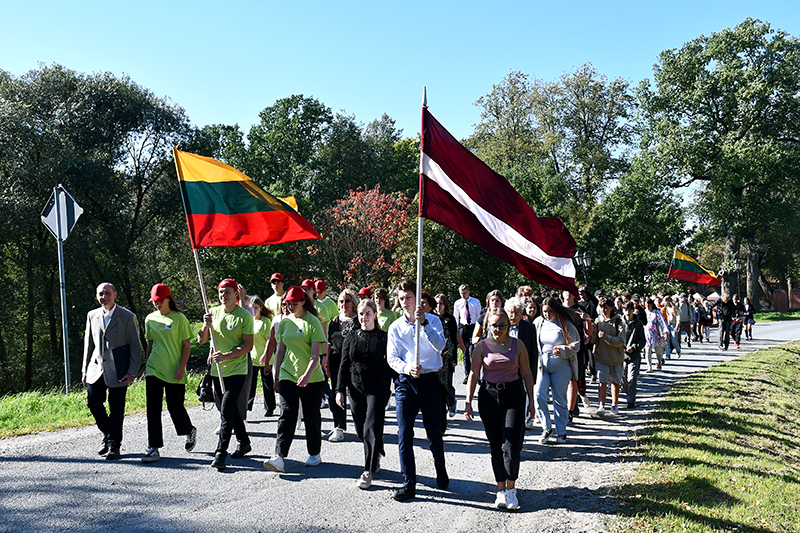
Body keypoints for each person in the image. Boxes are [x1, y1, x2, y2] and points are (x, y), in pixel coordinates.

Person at [464, 308, 534, 511]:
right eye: (494, 325)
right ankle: (501, 490)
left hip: (513, 396)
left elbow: (527, 374)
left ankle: (512, 490)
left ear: (509, 325)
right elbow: (473, 374)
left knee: (511, 444)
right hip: (489, 397)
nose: (498, 329)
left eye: (502, 325)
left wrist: (532, 401)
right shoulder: (481, 347)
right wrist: (468, 401)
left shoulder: (517, 345)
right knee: (495, 446)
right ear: (488, 326)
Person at [387, 279, 448, 502]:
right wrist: (406, 368)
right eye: (401, 298)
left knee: (434, 433)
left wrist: (424, 324)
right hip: (406, 383)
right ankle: (408, 483)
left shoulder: (433, 320)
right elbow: (392, 358)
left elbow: (441, 346)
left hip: (430, 381)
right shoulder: (395, 327)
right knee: (404, 434)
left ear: (417, 298)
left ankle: (440, 471)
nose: (405, 302)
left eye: (409, 297)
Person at [264, 286, 327, 473]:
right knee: (287, 413)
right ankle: (279, 457)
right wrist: (276, 377)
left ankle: (314, 453)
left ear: (303, 302)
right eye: (288, 303)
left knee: (311, 416)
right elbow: (280, 351)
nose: (290, 306)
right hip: (288, 375)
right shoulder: (284, 323)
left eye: (294, 303)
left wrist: (306, 375)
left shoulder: (313, 321)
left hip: (312, 377)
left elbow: (315, 354)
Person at [198, 278, 254, 470]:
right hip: (218, 370)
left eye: (227, 292)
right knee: (228, 408)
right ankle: (244, 441)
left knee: (226, 411)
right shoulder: (212, 312)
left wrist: (228, 355)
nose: (223, 296)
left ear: (235, 294)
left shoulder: (244, 316)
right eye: (221, 292)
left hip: (237, 369)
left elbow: (248, 345)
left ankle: (221, 453)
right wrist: (206, 326)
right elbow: (202, 340)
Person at [336, 298, 392, 490]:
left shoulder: (385, 337)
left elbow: (391, 364)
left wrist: (392, 384)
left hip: (377, 388)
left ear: (375, 314)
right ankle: (376, 450)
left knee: (372, 427)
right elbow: (344, 364)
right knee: (361, 430)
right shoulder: (351, 336)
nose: (364, 317)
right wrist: (339, 390)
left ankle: (367, 471)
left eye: (368, 313)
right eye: (361, 314)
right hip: (355, 387)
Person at [82, 282, 142, 460]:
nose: (104, 297)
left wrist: (132, 371)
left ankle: (114, 445)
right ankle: (108, 434)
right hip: (96, 369)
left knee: (116, 408)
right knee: (93, 403)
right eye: (101, 294)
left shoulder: (127, 317)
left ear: (115, 295)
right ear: (97, 296)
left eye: (107, 293)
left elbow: (135, 346)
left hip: (119, 370)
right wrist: (84, 371)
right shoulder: (92, 315)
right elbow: (88, 345)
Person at [142, 284, 196, 463]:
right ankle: (153, 447)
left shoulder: (179, 318)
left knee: (175, 407)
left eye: (159, 301)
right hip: (154, 369)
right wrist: (147, 363)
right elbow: (150, 343)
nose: (157, 304)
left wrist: (181, 368)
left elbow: (187, 345)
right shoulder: (150, 319)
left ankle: (189, 430)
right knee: (153, 409)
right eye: (154, 301)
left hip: (174, 370)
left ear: (168, 299)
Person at [533, 297, 580, 444]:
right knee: (539, 395)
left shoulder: (565, 324)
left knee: (559, 399)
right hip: (542, 365)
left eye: (550, 311)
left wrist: (563, 350)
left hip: (561, 366)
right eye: (544, 311)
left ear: (556, 310)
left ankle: (561, 431)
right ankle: (547, 428)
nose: (547, 314)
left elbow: (576, 343)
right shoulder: (538, 323)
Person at [326, 289, 359, 442]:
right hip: (335, 363)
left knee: (355, 396)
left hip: (353, 365)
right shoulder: (334, 321)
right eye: (341, 301)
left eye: (347, 301)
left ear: (353, 303)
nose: (344, 304)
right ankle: (339, 427)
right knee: (336, 395)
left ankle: (362, 425)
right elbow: (329, 342)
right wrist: (325, 361)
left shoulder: (359, 320)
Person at [592, 296, 626, 417]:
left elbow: (621, 341)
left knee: (615, 382)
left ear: (611, 308)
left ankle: (614, 405)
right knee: (602, 381)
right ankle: (601, 406)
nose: (603, 310)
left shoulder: (619, 321)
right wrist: (592, 331)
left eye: (605, 308)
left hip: (616, 358)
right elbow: (593, 339)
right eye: (601, 308)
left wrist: (606, 337)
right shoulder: (598, 321)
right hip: (601, 357)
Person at [435, 293, 465, 424]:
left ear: (445, 305)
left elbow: (453, 338)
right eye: (436, 303)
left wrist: (453, 358)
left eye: (441, 303)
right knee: (438, 385)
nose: (438, 306)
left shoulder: (450, 319)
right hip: (436, 357)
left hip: (448, 357)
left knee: (447, 383)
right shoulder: (431, 318)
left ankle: (451, 402)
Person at [249, 296, 275, 417]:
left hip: (265, 358)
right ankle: (247, 406)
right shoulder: (249, 320)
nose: (254, 310)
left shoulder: (266, 321)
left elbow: (269, 340)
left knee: (267, 384)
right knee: (250, 384)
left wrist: (265, 354)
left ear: (261, 308)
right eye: (252, 308)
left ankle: (270, 408)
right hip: (252, 358)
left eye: (256, 308)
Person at [620, 301, 646, 409]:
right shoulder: (619, 322)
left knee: (632, 379)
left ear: (632, 310)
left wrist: (634, 347)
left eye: (629, 310)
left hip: (634, 356)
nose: (627, 313)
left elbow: (642, 340)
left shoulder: (638, 323)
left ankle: (631, 401)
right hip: (621, 356)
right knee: (624, 381)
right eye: (625, 310)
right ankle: (628, 393)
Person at [453, 284, 481, 384]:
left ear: (468, 292)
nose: (463, 295)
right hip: (463, 327)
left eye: (464, 293)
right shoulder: (458, 303)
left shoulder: (475, 302)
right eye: (461, 293)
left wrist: (479, 329)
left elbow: (479, 316)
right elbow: (456, 317)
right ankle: (467, 375)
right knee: (465, 351)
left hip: (473, 326)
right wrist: (455, 329)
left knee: (473, 351)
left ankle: (476, 375)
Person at [644, 299, 669, 371]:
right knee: (647, 350)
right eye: (646, 305)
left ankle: (659, 361)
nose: (648, 307)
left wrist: (665, 332)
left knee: (658, 350)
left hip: (656, 334)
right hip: (647, 335)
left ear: (652, 305)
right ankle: (649, 366)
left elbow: (663, 322)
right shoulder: (645, 312)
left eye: (649, 305)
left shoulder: (657, 312)